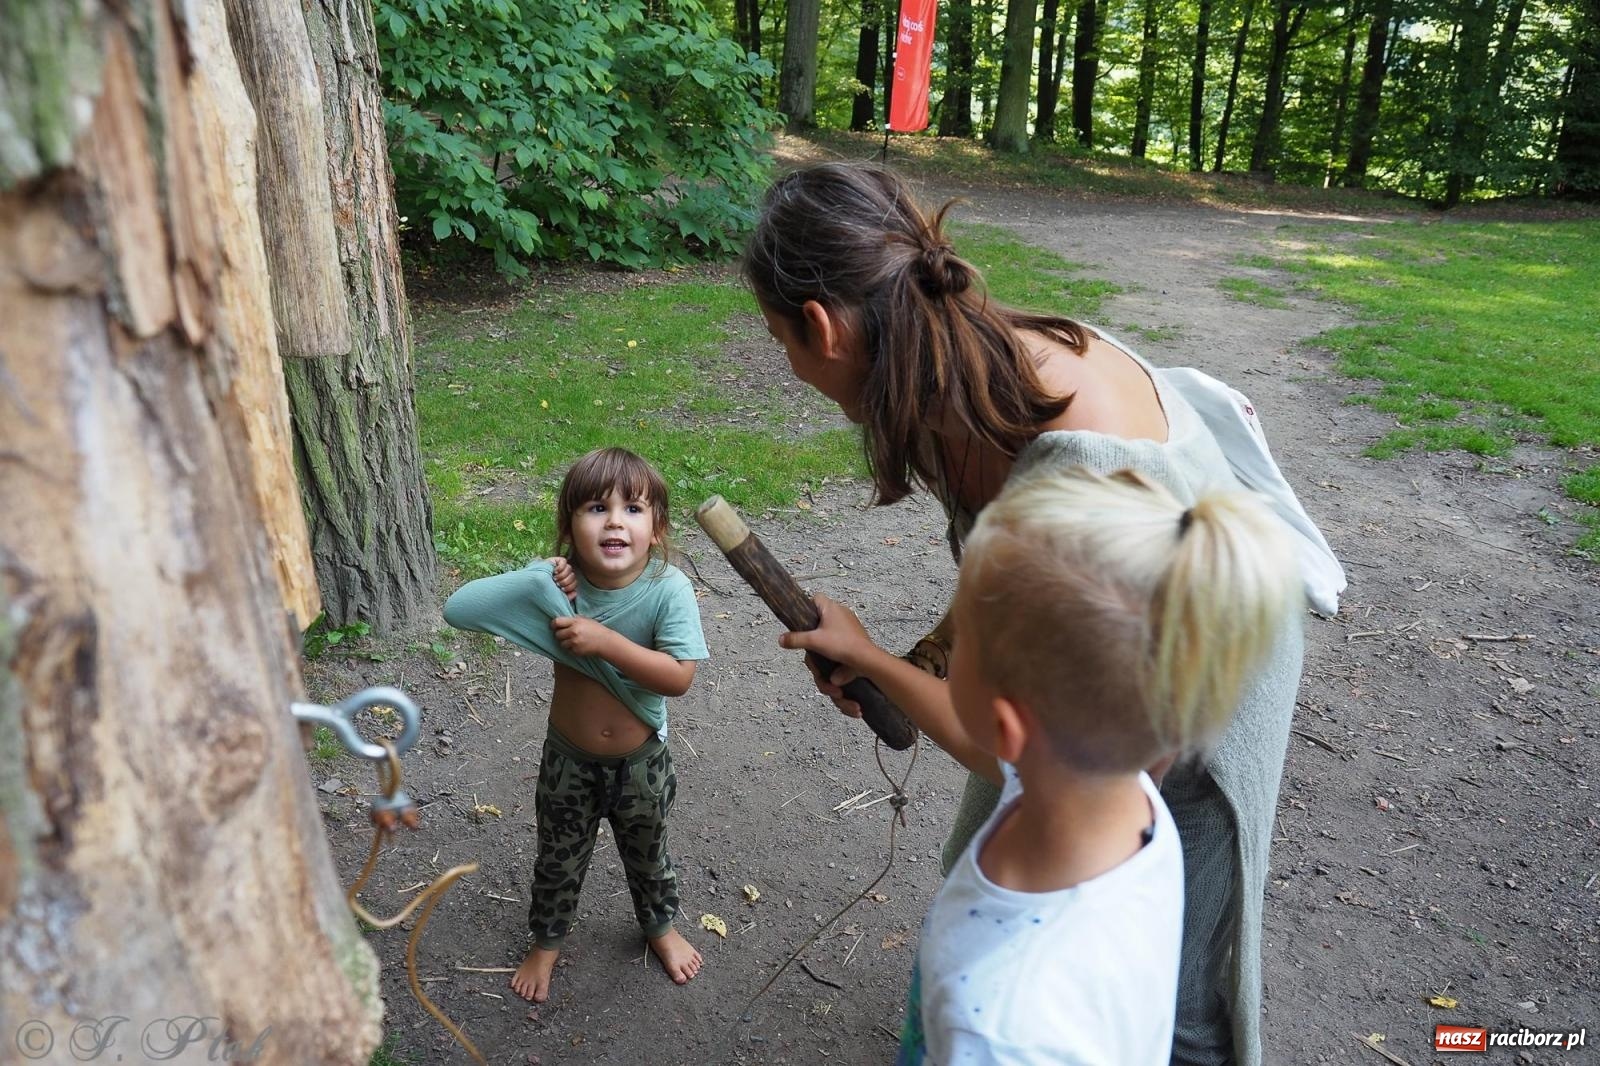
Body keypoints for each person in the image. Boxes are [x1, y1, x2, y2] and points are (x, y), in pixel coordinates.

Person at [745, 161, 1308, 1066]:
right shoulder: (967, 356)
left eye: (780, 339)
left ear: (819, 325)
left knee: (1180, 993)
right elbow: (1018, 597)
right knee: (1084, 870)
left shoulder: (1061, 446)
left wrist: (882, 666)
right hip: (1150, 635)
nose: (787, 361)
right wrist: (923, 658)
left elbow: (1000, 741)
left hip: (1204, 670)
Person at [797, 466, 1300, 1063]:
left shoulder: (1003, 1025)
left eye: (962, 646)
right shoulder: (1118, 797)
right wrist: (867, 657)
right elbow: (981, 742)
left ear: (1009, 725)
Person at [442, 447, 709, 1003]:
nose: (615, 520)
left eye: (633, 509)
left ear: (657, 529)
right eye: (595, 508)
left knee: (649, 852)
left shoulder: (669, 590)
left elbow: (678, 678)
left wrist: (607, 643)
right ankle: (546, 941)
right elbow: (460, 608)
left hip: (641, 764)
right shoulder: (557, 590)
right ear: (569, 529)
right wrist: (539, 573)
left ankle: (660, 926)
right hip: (569, 762)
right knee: (558, 858)